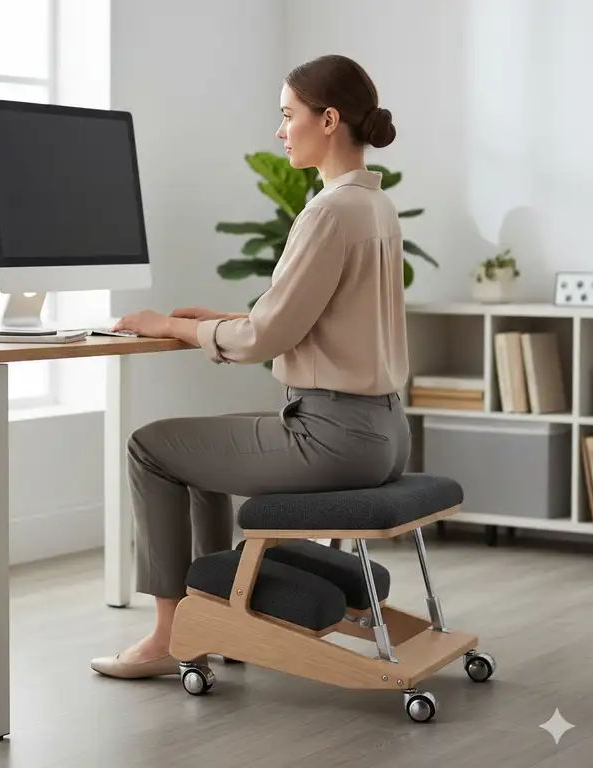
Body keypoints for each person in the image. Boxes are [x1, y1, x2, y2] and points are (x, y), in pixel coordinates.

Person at [90, 54, 411, 679]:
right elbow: (317, 322)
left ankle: (167, 634)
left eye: (288, 115)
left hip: (333, 436)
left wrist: (172, 325)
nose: (279, 130)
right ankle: (217, 618)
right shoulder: (376, 206)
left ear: (329, 120)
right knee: (194, 451)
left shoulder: (327, 212)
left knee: (150, 448)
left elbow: (265, 338)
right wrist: (223, 321)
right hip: (384, 432)